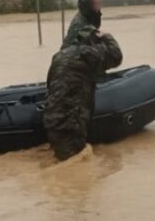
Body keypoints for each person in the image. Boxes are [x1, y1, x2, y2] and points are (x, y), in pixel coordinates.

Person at [44, 24, 123, 161]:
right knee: (74, 167)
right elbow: (116, 56)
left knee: (61, 162)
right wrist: (106, 36)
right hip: (71, 125)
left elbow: (50, 84)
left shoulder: (59, 56)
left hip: (51, 121)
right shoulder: (87, 53)